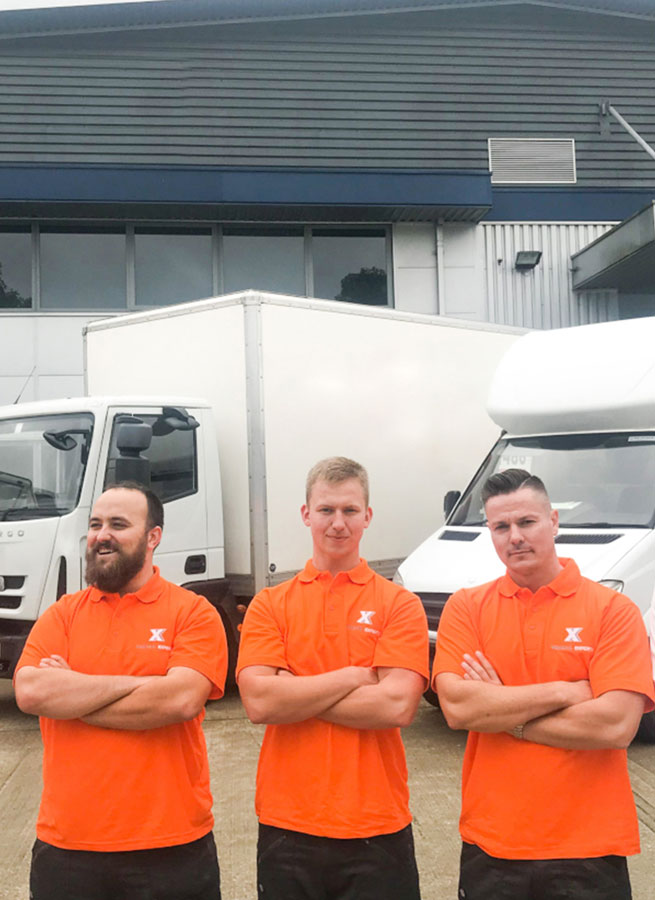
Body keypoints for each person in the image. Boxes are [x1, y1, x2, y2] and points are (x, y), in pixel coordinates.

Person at [433, 468, 655, 900]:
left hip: (589, 848)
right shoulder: (467, 608)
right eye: (500, 526)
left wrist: (502, 712)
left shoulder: (613, 610)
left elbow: (614, 727)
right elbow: (458, 709)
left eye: (526, 522)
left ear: (553, 521)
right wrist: (568, 690)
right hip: (492, 843)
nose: (514, 536)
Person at [14, 482, 227, 900]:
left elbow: (181, 699)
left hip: (172, 848)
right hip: (68, 851)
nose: (101, 535)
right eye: (95, 524)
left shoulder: (193, 612)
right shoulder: (62, 615)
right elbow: (31, 692)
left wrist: (73, 693)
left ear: (153, 537)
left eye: (118, 524)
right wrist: (147, 685)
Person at [237, 456, 429, 900]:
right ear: (306, 514)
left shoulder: (399, 604)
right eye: (326, 510)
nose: (337, 523)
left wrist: (294, 688)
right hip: (288, 828)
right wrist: (357, 675)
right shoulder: (270, 604)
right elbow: (260, 704)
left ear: (368, 516)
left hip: (377, 827)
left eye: (349, 510)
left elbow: (396, 706)